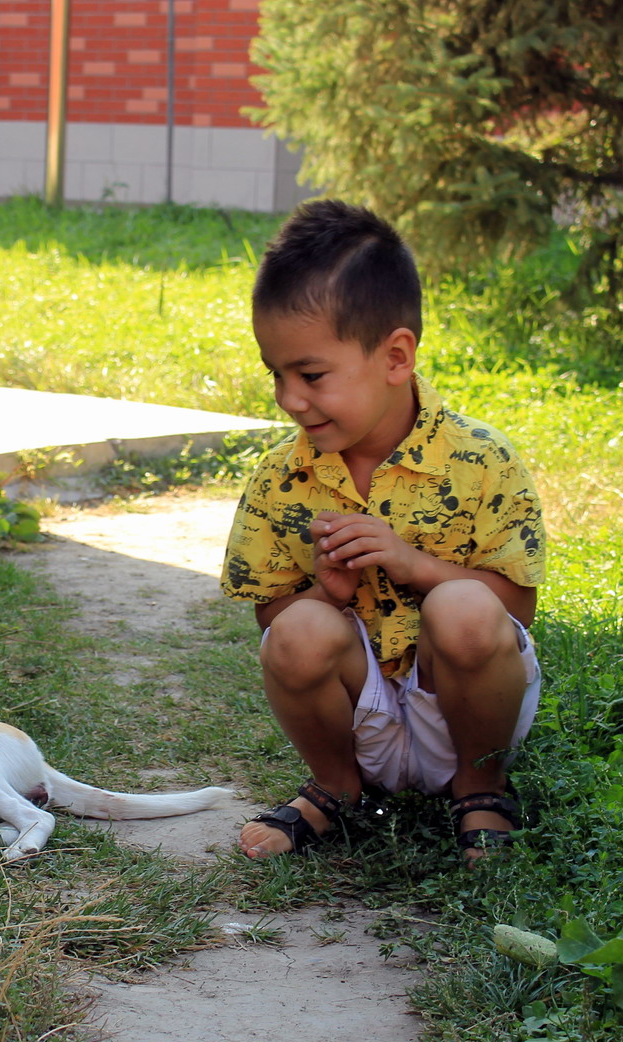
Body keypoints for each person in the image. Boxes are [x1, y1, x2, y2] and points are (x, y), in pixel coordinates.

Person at [219, 199, 546, 864]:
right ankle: (338, 789)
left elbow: (514, 610)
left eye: (310, 375)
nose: (288, 398)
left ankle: (481, 789)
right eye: (275, 374)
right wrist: (328, 595)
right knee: (300, 629)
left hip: (463, 708)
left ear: (396, 356)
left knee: (464, 606)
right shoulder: (283, 479)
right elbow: (273, 621)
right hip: (358, 714)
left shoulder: (482, 461)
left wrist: (413, 563)